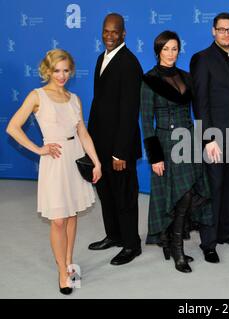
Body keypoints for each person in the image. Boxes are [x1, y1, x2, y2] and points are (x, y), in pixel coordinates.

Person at [6, 49, 101, 295]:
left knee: (71, 215)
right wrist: (38, 149)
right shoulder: (37, 96)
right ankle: (61, 270)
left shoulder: (74, 99)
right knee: (58, 219)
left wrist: (97, 162)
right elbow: (13, 127)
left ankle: (69, 262)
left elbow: (83, 133)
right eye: (57, 70)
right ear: (48, 70)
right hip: (55, 160)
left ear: (71, 71)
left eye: (66, 70)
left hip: (75, 156)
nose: (62, 76)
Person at [140, 31, 213, 273]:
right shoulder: (149, 79)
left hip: (187, 140)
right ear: (158, 51)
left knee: (190, 192)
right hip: (164, 142)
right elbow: (146, 121)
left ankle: (172, 239)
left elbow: (197, 110)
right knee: (181, 195)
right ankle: (177, 248)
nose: (171, 53)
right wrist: (155, 156)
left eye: (174, 49)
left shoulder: (186, 77)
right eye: (166, 49)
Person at [190, 13, 229, 263]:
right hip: (215, 138)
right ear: (213, 31)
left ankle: (226, 233)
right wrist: (207, 138)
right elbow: (200, 102)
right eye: (222, 30)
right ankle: (209, 243)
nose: (226, 34)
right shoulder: (202, 59)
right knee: (212, 189)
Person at [87, 13, 143, 266]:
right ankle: (114, 236)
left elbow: (130, 112)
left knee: (125, 197)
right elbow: (98, 104)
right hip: (100, 145)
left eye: (115, 31)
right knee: (106, 194)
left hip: (120, 149)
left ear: (123, 34)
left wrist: (120, 153)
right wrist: (88, 142)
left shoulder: (130, 64)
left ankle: (131, 245)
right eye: (106, 31)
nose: (109, 36)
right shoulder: (102, 58)